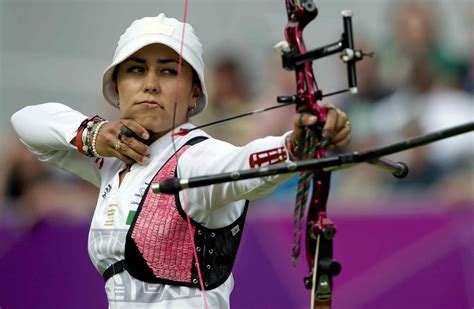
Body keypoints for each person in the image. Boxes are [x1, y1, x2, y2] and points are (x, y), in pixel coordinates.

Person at [10, 14, 351, 308]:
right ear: (117, 86)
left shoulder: (196, 158)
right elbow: (26, 121)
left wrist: (295, 144)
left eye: (169, 72)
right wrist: (92, 134)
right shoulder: (111, 161)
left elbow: (241, 166)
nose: (150, 85)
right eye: (136, 70)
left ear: (194, 94)